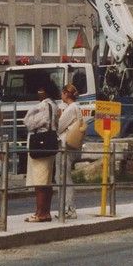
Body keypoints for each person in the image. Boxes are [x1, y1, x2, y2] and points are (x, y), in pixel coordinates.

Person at [22, 87, 57, 222]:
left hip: (40, 144)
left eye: (40, 90)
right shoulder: (54, 105)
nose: (38, 93)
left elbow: (29, 123)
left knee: (40, 181)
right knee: (47, 181)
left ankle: (40, 213)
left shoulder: (42, 106)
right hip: (50, 143)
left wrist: (30, 112)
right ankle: (46, 212)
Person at [56, 83, 81, 219]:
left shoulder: (71, 109)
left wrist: (60, 115)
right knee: (64, 176)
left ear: (66, 94)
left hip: (65, 145)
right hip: (72, 145)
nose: (61, 96)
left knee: (63, 177)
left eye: (62, 93)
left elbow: (59, 127)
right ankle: (66, 207)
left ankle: (69, 208)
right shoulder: (76, 107)